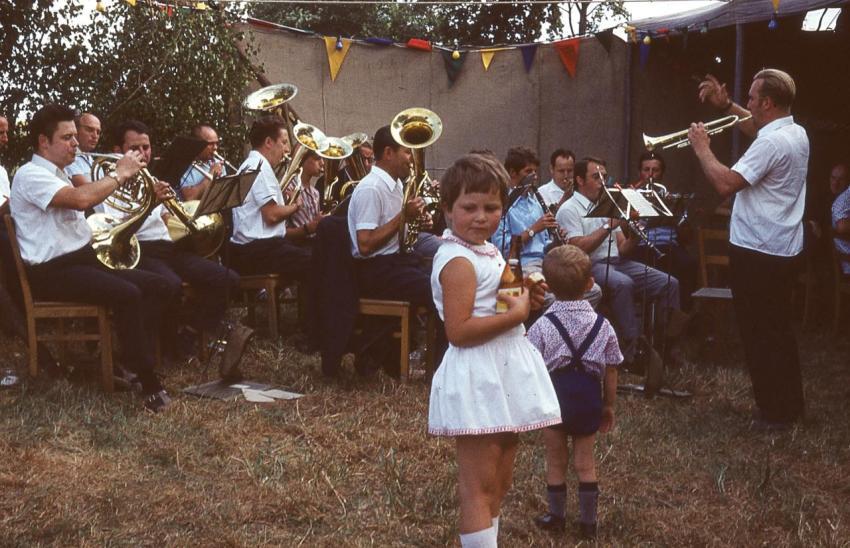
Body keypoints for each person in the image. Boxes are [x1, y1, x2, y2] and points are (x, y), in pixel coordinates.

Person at [428, 153, 561, 547]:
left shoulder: (486, 250)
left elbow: (503, 299)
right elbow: (459, 330)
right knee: (479, 486)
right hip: (478, 374)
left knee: (500, 479)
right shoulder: (457, 260)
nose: (481, 217)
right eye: (469, 208)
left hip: (503, 368)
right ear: (448, 209)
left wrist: (525, 292)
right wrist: (518, 311)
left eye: (491, 207)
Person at [10, 104, 173, 411]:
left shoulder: (57, 173)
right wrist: (120, 172)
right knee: (127, 294)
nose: (75, 144)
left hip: (80, 259)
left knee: (160, 284)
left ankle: (121, 359)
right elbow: (81, 199)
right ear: (44, 142)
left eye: (75, 136)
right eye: (67, 137)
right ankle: (146, 380)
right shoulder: (31, 174)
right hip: (51, 271)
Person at [691, 69, 808, 429]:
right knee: (779, 330)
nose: (750, 103)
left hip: (757, 250)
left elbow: (726, 184)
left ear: (768, 103)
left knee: (758, 333)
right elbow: (757, 127)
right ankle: (790, 406)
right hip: (782, 247)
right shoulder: (795, 131)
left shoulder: (771, 144)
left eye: (754, 98)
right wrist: (727, 106)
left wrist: (702, 149)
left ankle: (774, 413)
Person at [109, 120, 247, 375]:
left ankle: (189, 333)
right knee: (169, 284)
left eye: (147, 147)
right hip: (139, 250)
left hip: (168, 248)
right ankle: (151, 350)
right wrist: (152, 203)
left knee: (227, 278)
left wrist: (190, 228)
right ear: (118, 150)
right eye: (135, 147)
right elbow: (115, 229)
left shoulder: (153, 177)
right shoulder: (109, 184)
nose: (143, 153)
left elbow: (165, 222)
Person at [527, 244, 621, 540]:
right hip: (588, 398)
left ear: (549, 286)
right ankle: (588, 523)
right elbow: (612, 368)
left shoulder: (542, 325)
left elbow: (531, 364)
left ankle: (556, 516)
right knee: (585, 462)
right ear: (590, 284)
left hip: (554, 398)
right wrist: (608, 405)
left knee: (556, 460)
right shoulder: (603, 326)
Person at [556, 157, 681, 368]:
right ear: (579, 180)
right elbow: (577, 248)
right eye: (596, 177)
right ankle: (633, 351)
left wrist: (634, 235)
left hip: (617, 263)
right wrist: (608, 225)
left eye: (604, 177)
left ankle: (665, 346)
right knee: (623, 283)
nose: (602, 182)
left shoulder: (606, 205)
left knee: (669, 282)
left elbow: (623, 249)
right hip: (590, 265)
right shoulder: (569, 209)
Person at [228, 115, 313, 335]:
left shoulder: (256, 164)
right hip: (255, 251)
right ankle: (308, 328)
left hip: (260, 247)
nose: (287, 149)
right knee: (314, 261)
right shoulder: (258, 166)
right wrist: (295, 206)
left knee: (315, 251)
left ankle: (308, 324)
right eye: (284, 142)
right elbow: (272, 215)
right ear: (268, 142)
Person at [627, 151, 698, 310]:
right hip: (641, 247)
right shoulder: (631, 195)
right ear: (640, 172)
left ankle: (680, 318)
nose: (650, 175)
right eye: (646, 170)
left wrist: (678, 212)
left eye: (655, 170)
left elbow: (687, 238)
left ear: (662, 174)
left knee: (689, 265)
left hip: (669, 246)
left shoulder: (669, 197)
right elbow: (623, 230)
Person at [285, 149, 324, 246]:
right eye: (317, 158)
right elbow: (280, 232)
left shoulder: (315, 193)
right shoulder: (288, 189)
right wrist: (308, 228)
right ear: (302, 160)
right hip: (294, 248)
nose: (322, 163)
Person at [177, 123, 225, 201]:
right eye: (210, 144)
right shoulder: (184, 166)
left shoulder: (217, 163)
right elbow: (189, 198)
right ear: (197, 144)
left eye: (216, 143)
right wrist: (211, 174)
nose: (215, 147)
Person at [65, 112, 102, 188]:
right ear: (76, 130)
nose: (95, 136)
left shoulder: (97, 165)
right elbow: (87, 190)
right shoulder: (68, 158)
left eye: (98, 132)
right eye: (89, 130)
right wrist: (118, 175)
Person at [833, 164, 850, 275]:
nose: (836, 183)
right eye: (833, 178)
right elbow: (842, 227)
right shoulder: (842, 200)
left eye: (840, 179)